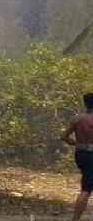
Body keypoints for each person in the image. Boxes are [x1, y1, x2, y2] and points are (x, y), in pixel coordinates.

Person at [61, 93, 93, 221]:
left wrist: (77, 143)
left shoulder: (76, 119)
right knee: (86, 188)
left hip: (80, 154)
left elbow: (63, 137)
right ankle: (75, 219)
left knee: (88, 182)